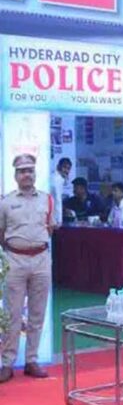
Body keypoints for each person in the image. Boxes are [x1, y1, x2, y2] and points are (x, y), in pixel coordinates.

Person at [0, 154, 55, 383]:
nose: (27, 174)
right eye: (22, 171)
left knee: (37, 312)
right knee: (12, 313)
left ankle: (32, 359)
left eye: (30, 170)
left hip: (41, 259)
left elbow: (50, 228)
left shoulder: (47, 199)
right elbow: (1, 233)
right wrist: (16, 249)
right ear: (15, 175)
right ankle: (6, 362)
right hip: (16, 259)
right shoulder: (6, 202)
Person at [50, 157, 72, 226]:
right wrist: (59, 220)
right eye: (64, 167)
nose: (66, 171)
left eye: (68, 168)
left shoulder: (55, 177)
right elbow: (57, 200)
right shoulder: (57, 179)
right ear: (58, 167)